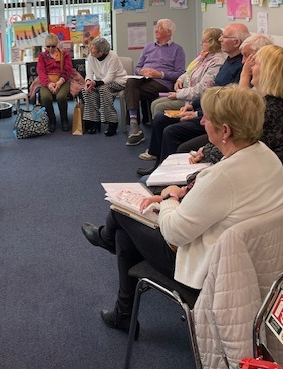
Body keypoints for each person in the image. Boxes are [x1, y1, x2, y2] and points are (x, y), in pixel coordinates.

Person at [82, 85, 283, 333]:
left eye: (207, 118)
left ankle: (106, 241)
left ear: (225, 130)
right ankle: (123, 311)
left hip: (209, 272)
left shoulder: (223, 177)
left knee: (120, 212)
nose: (203, 121)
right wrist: (182, 194)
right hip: (257, 266)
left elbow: (175, 233)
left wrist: (169, 198)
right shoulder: (267, 157)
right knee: (126, 231)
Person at [136, 23, 249, 176]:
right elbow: (207, 87)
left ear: (236, 42)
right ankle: (158, 164)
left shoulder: (230, 64)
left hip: (213, 115)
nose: (221, 39)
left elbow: (222, 98)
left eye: (225, 37)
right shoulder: (225, 60)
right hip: (202, 107)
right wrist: (193, 106)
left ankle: (166, 174)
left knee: (170, 130)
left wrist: (197, 113)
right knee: (160, 118)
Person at [124, 19, 185, 146]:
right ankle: (134, 124)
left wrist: (160, 74)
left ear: (168, 32)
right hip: (144, 79)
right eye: (156, 28)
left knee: (131, 91)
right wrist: (141, 72)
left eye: (159, 28)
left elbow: (180, 73)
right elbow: (137, 67)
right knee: (130, 82)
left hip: (162, 83)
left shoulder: (177, 50)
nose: (155, 30)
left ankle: (134, 127)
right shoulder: (148, 47)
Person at [148, 28, 224, 117]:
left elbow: (202, 89)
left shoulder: (217, 61)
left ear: (212, 42)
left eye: (203, 41)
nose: (201, 44)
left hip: (194, 98)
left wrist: (178, 95)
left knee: (159, 107)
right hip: (186, 93)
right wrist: (180, 80)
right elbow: (189, 71)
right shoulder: (204, 56)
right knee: (154, 103)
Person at [82, 37, 127, 136]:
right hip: (100, 82)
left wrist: (95, 83)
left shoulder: (113, 56)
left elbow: (109, 78)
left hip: (118, 81)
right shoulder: (91, 56)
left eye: (93, 48)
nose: (90, 50)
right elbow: (89, 73)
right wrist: (88, 82)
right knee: (86, 90)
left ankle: (112, 122)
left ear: (101, 52)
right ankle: (94, 122)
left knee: (103, 89)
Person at [36, 33, 73, 132]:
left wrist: (59, 83)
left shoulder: (65, 55)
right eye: (48, 46)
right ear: (45, 46)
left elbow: (67, 70)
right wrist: (49, 84)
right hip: (47, 81)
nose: (50, 48)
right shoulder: (42, 56)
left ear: (57, 45)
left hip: (62, 80)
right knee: (45, 97)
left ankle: (64, 119)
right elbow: (41, 72)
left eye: (53, 46)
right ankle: (52, 120)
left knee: (61, 97)